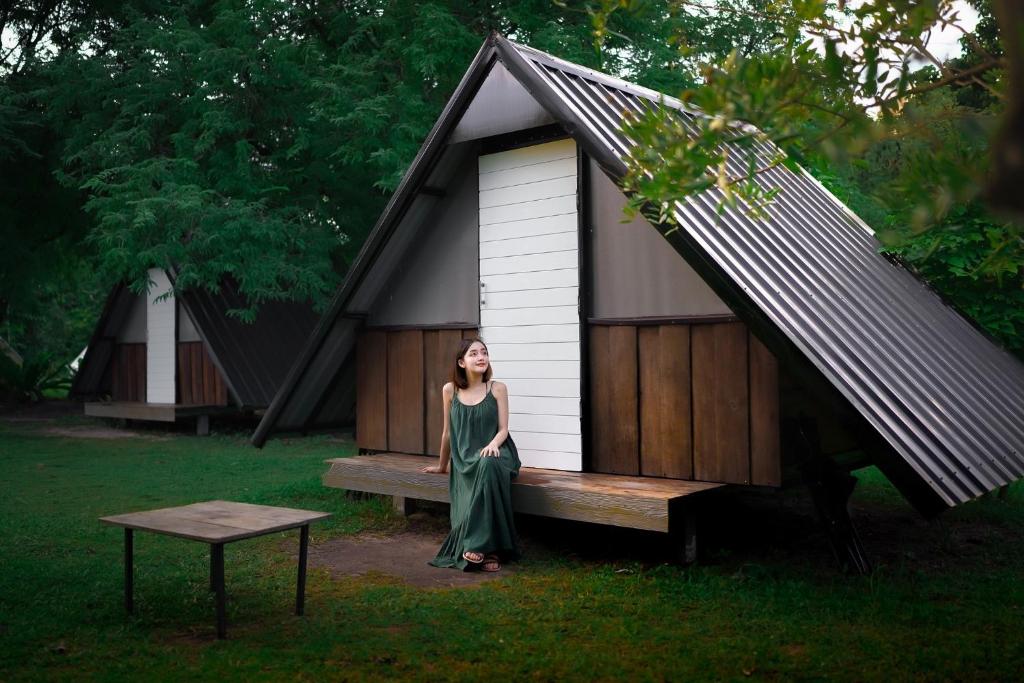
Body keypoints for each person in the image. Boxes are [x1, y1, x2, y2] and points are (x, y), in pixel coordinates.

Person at [421, 338, 521, 571]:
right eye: (473, 354)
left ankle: (476, 545)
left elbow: (504, 429)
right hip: (466, 459)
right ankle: (490, 551)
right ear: (461, 362)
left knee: (487, 463)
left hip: (499, 452)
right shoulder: (450, 390)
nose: (481, 357)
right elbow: (447, 433)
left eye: (484, 353)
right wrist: (442, 466)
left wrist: (494, 444)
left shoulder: (497, 388)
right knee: (482, 467)